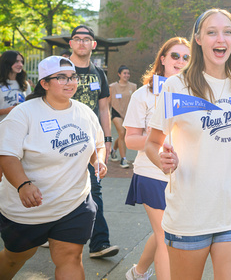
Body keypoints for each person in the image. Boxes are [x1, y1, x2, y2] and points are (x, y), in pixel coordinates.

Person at [143, 9, 231, 279]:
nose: (220, 39)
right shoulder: (176, 86)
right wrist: (161, 159)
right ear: (198, 39)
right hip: (190, 213)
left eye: (227, 32)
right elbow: (152, 142)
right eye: (212, 32)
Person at [0, 56, 107, 279]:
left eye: (73, 77)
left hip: (73, 203)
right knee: (15, 258)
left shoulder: (84, 112)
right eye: (61, 78)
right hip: (29, 209)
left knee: (70, 256)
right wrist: (23, 185)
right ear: (44, 83)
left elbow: (97, 144)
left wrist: (99, 161)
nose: (70, 82)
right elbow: (7, 156)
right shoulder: (23, 113)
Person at [123, 37, 190, 280]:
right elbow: (131, 140)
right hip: (152, 173)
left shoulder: (194, 93)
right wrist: (158, 140)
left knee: (165, 229)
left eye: (186, 57)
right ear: (162, 59)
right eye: (175, 56)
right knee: (166, 236)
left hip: (184, 174)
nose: (180, 61)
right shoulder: (143, 94)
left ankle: (138, 272)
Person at [68, 24, 119, 258]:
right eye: (77, 39)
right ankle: (47, 230)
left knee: (94, 190)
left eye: (86, 39)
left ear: (93, 44)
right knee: (54, 186)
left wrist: (107, 140)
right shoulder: (60, 69)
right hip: (61, 141)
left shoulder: (99, 73)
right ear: (71, 43)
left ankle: (99, 243)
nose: (81, 43)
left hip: (90, 143)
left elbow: (104, 108)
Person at [109, 65, 137, 168]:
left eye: (128, 73)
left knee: (123, 135)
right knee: (122, 132)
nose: (127, 75)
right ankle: (123, 159)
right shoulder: (113, 87)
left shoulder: (133, 86)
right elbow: (108, 102)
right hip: (116, 113)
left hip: (128, 114)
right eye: (124, 73)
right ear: (119, 74)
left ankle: (114, 150)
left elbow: (135, 102)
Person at [0, 50, 31, 122]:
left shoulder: (25, 84)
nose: (20, 65)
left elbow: (30, 105)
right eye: (16, 61)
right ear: (6, 63)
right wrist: (6, 111)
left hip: (21, 126)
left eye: (21, 62)